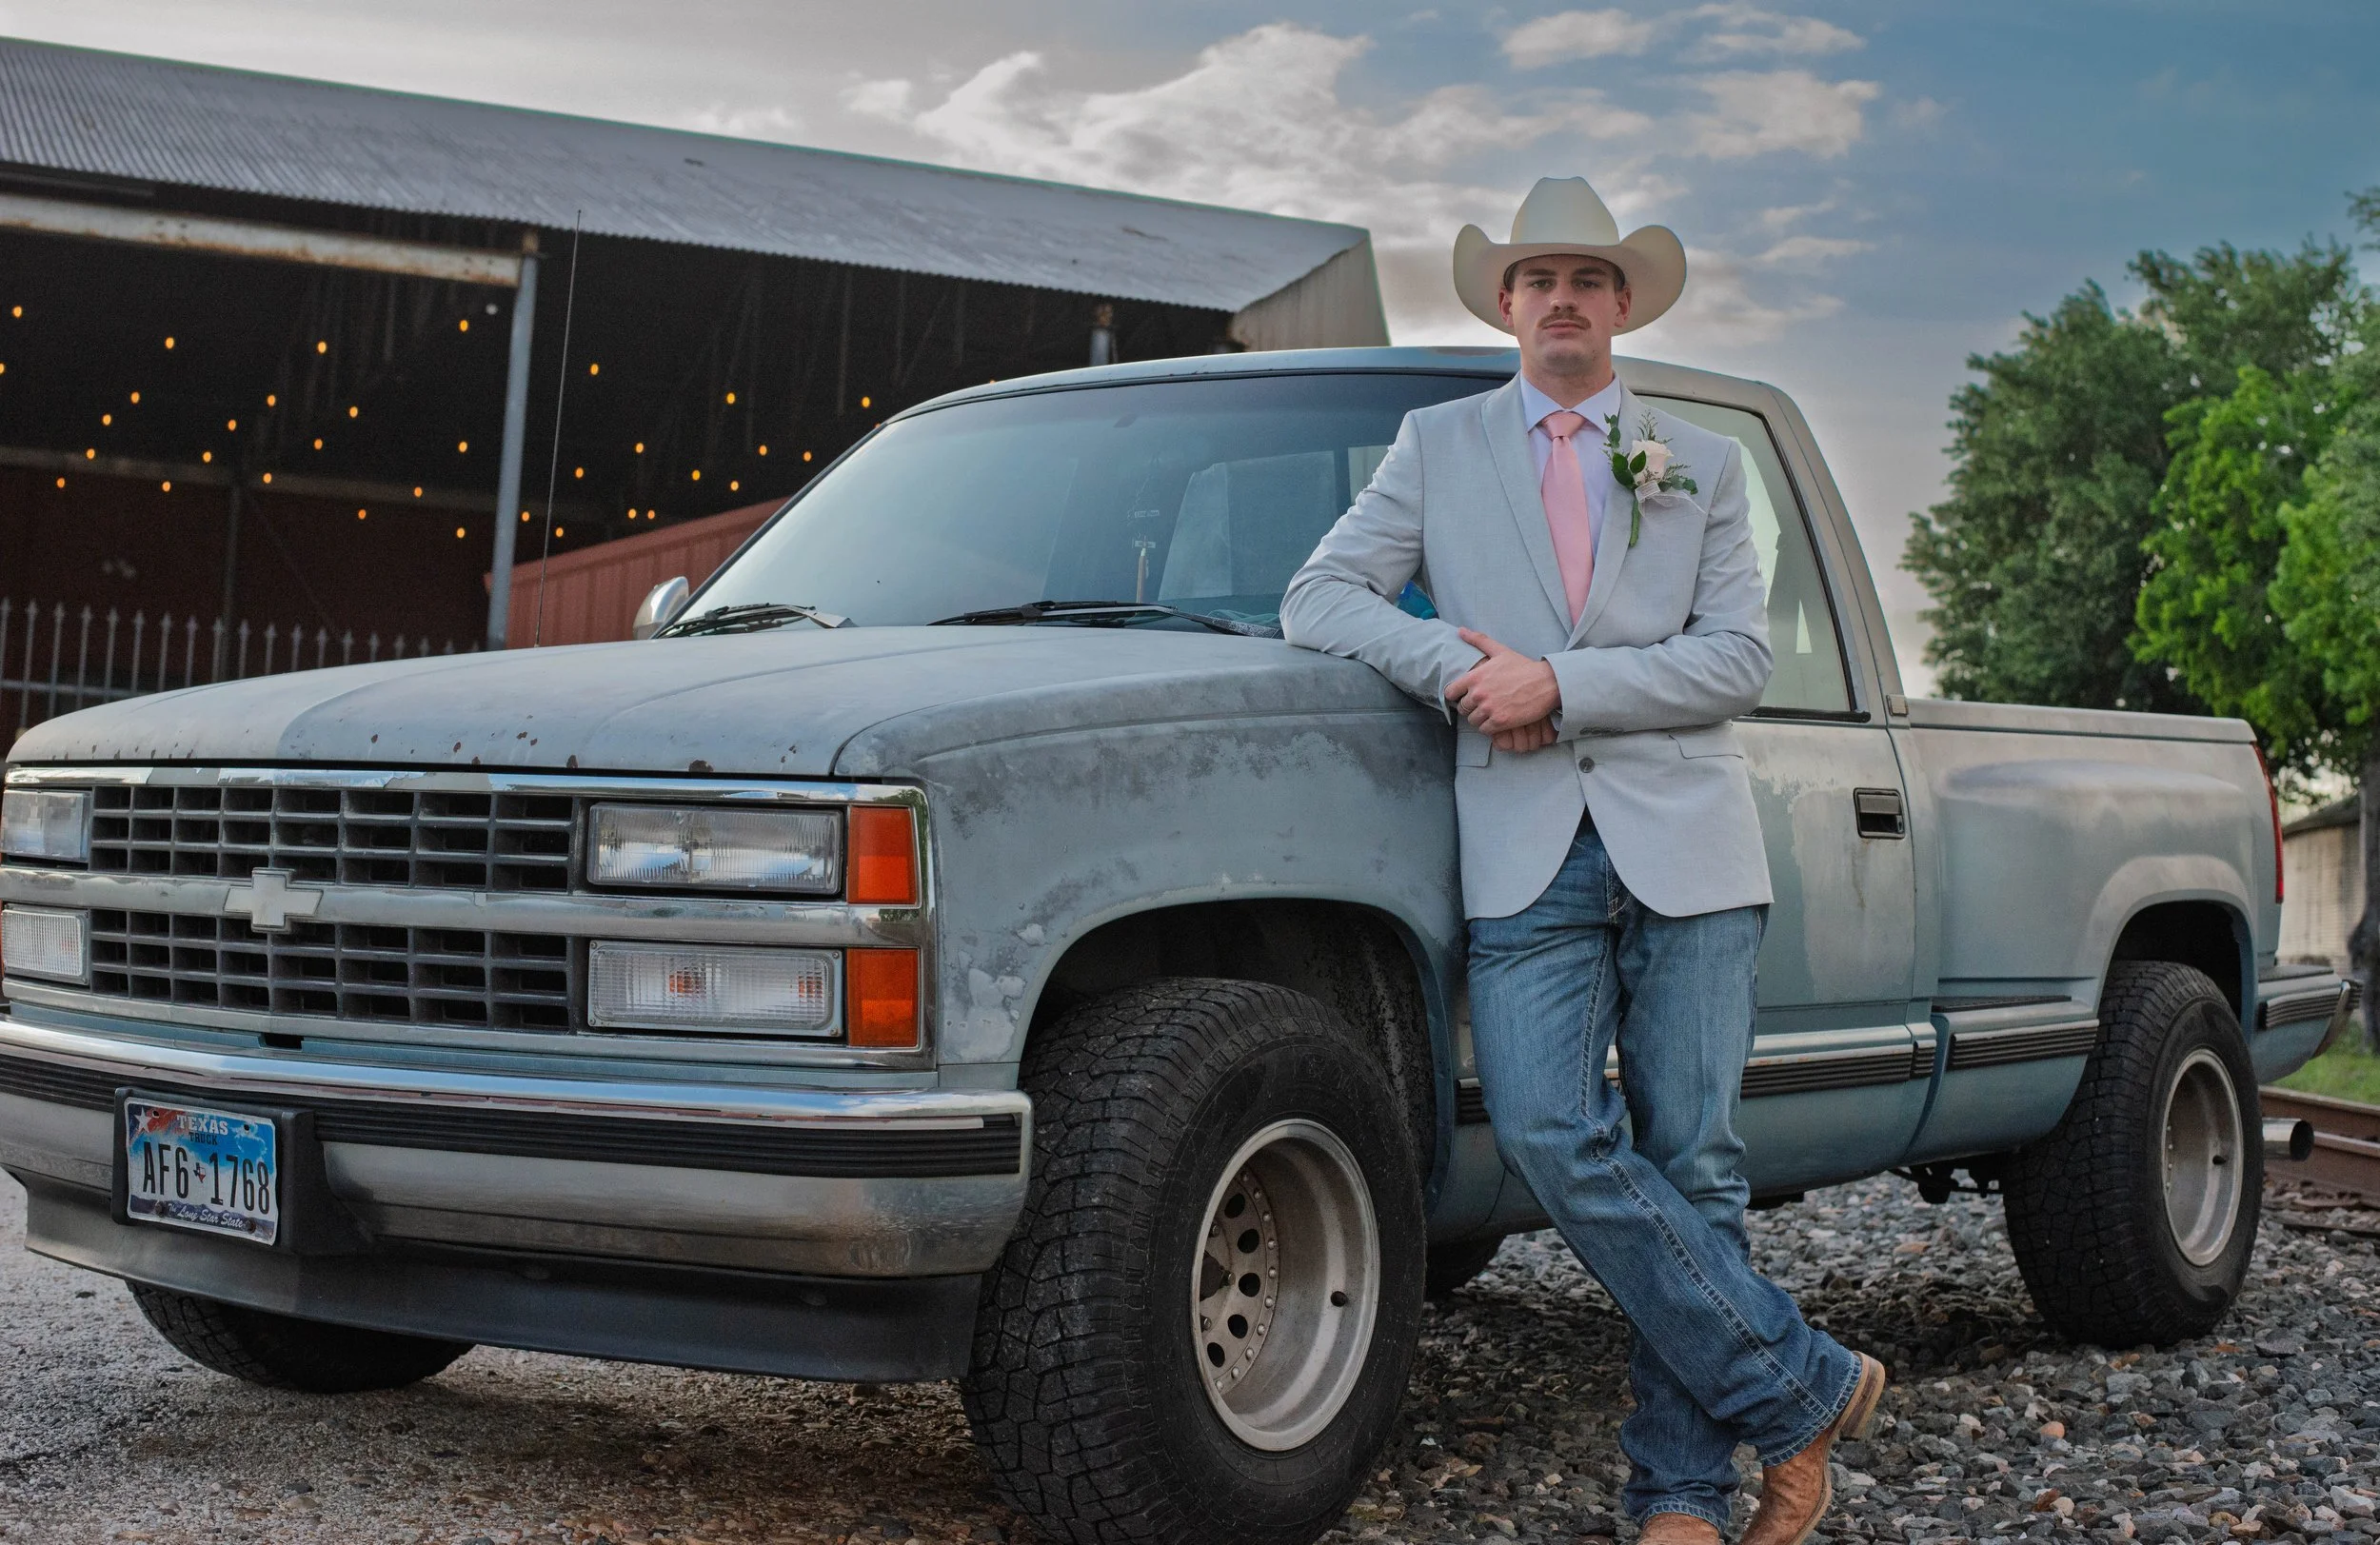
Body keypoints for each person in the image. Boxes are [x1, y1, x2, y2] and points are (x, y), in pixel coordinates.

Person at [1279, 176, 1885, 1545]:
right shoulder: (1434, 444)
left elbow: (1739, 658)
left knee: (1696, 1162)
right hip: (1523, 840)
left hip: (1688, 845)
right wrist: (1454, 669)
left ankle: (1678, 1493)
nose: (1563, 298)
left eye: (1589, 279)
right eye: (1539, 277)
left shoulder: (1701, 461)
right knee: (1553, 1133)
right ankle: (1808, 1382)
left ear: (1622, 306)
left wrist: (1560, 680)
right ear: (1506, 303)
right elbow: (1318, 593)